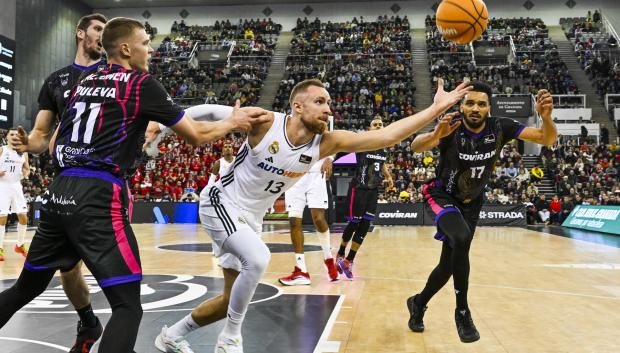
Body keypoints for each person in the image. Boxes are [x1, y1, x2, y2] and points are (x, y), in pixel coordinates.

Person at [2, 17, 268, 353]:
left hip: (58, 191)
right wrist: (233, 120)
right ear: (126, 48)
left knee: (24, 289)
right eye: (145, 42)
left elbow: (55, 143)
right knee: (128, 306)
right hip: (97, 194)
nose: (151, 48)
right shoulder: (140, 83)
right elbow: (198, 135)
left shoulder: (84, 81)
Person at [154, 78, 472, 353]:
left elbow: (387, 136)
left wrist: (435, 109)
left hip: (248, 217)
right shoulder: (265, 122)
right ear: (297, 107)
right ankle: (230, 338)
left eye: (330, 103)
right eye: (320, 101)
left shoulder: (326, 144)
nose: (328, 109)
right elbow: (208, 110)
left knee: (228, 300)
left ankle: (172, 336)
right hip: (220, 201)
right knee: (260, 259)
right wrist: (161, 122)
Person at [406, 81, 557, 343]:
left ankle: (418, 303)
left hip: (472, 202)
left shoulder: (501, 127)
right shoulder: (451, 124)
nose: (475, 108)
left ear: (489, 107)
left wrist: (546, 118)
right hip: (443, 194)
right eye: (470, 103)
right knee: (462, 239)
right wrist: (436, 135)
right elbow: (415, 146)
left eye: (481, 104)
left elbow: (547, 138)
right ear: (462, 106)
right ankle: (462, 311)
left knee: (447, 266)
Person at [11, 13, 108, 353]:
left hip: (103, 184)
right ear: (81, 34)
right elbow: (40, 137)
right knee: (68, 270)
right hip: (65, 183)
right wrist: (28, 144)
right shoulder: (57, 81)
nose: (102, 35)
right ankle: (90, 322)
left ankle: (112, 329)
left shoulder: (116, 76)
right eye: (97, 29)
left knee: (106, 269)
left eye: (106, 30)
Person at [336, 117, 394, 280]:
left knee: (365, 226)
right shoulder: (362, 143)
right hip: (359, 189)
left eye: (381, 125)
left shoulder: (383, 147)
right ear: (369, 128)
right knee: (354, 223)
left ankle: (349, 260)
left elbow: (381, 164)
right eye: (375, 124)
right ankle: (340, 253)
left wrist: (388, 177)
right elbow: (342, 145)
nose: (378, 126)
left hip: (373, 191)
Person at [279, 153, 338, 286]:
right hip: (293, 174)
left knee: (318, 219)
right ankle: (301, 271)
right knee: (294, 221)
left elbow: (333, 140)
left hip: (316, 172)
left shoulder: (319, 131)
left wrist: (330, 158)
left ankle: (328, 259)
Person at [0, 128, 30, 261]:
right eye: (11, 134)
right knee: (2, 219)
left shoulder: (23, 153)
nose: (14, 136)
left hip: (17, 186)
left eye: (16, 135)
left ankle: (20, 245)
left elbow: (27, 168)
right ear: (7, 137)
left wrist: (26, 173)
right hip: (3, 186)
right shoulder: (2, 150)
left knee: (24, 218)